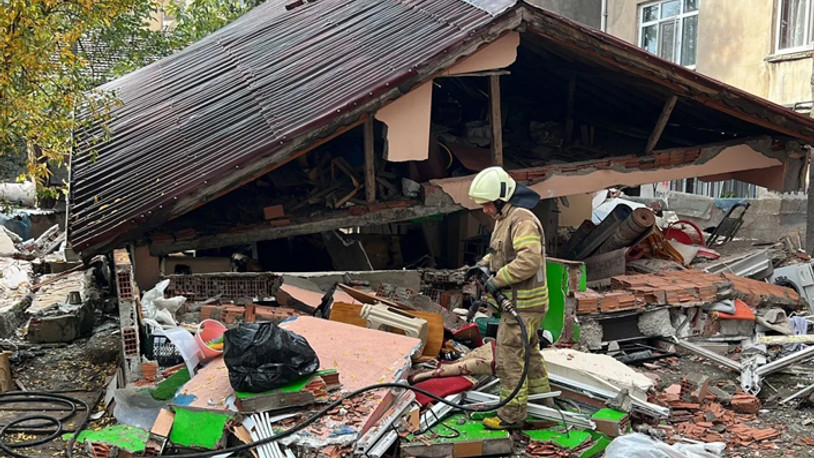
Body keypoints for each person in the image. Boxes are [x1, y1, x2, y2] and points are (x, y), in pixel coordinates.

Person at [467, 166, 551, 430]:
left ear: (501, 199)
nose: (484, 209)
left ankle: (511, 416)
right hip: (525, 304)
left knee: (509, 359)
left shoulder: (522, 219)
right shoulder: (505, 219)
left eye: (486, 204)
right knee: (530, 355)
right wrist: (481, 264)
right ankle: (541, 405)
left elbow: (528, 260)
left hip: (523, 304)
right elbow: (498, 252)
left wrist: (496, 279)